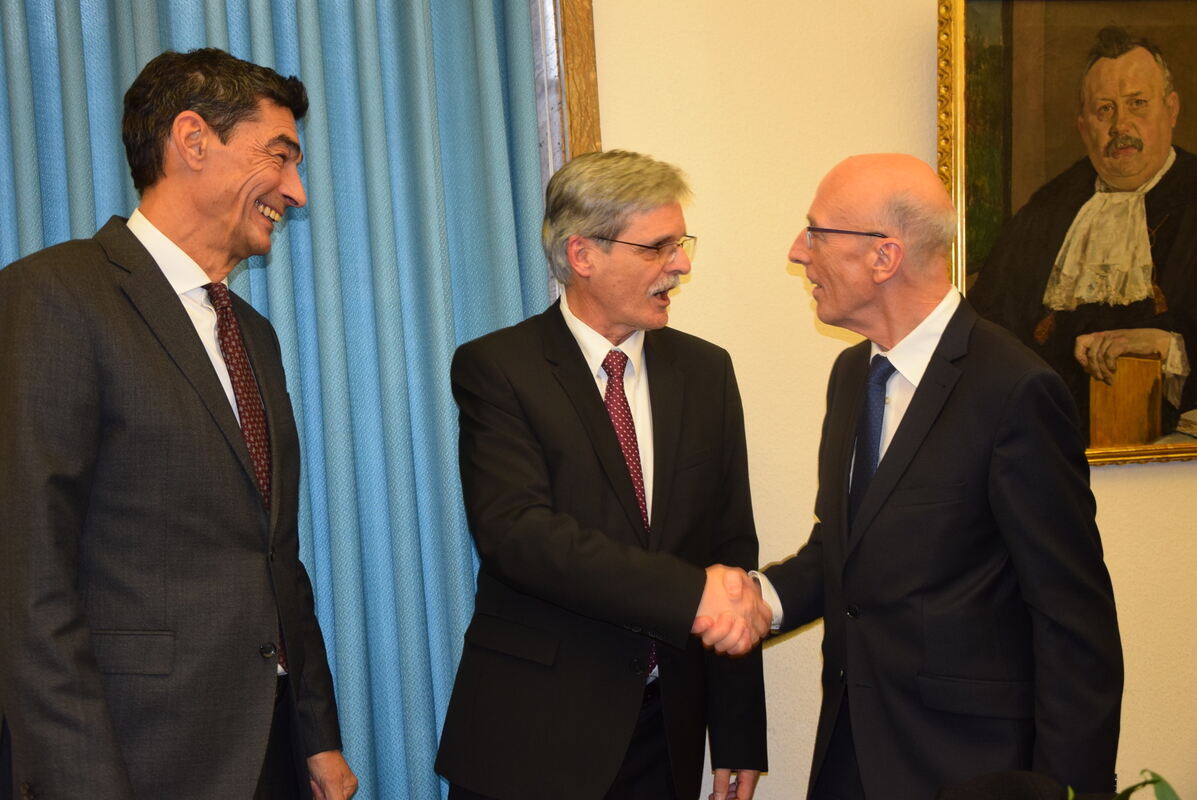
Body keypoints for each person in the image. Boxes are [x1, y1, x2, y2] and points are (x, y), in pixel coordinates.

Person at [0, 49, 356, 800]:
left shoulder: (252, 333)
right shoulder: (54, 295)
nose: (296, 191)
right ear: (193, 140)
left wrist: (316, 733)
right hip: (137, 755)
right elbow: (28, 577)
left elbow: (275, 556)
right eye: (280, 156)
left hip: (270, 747)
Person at [756, 154, 1123, 799]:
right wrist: (758, 599)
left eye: (817, 232)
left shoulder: (1015, 389)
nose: (797, 251)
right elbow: (846, 550)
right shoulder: (853, 376)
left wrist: (1067, 791)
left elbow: (1073, 619)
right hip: (852, 757)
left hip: (968, 770)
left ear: (884, 257)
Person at [435, 150, 770, 800]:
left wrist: (737, 730)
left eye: (681, 244)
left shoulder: (706, 372)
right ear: (582, 254)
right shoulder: (498, 368)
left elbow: (731, 550)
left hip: (663, 733)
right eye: (657, 247)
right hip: (534, 732)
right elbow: (518, 536)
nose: (681, 265)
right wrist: (688, 593)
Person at [970, 26, 1197, 443]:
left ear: (1171, 109)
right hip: (1048, 440)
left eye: (1138, 104)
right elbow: (987, 331)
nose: (1120, 125)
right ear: (1082, 126)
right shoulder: (1046, 210)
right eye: (1104, 110)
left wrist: (1169, 346)